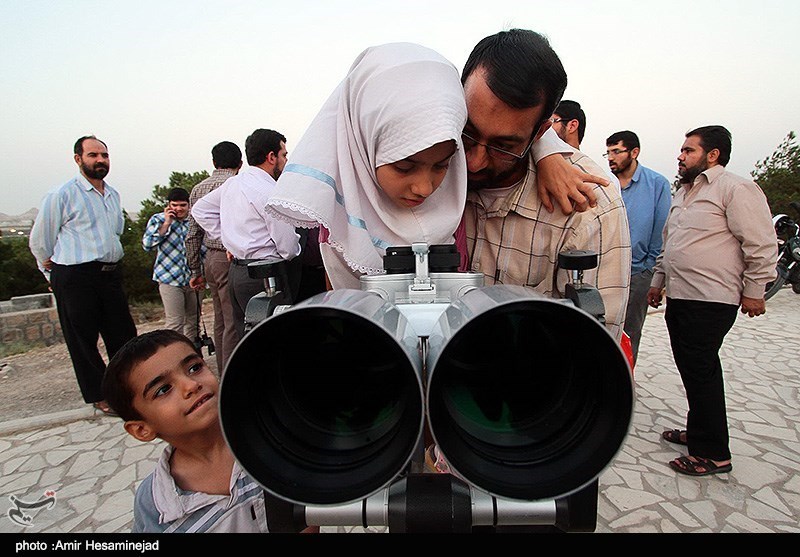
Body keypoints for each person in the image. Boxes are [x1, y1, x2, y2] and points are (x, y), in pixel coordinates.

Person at [460, 29, 631, 341]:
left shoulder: (587, 207)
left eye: (503, 146)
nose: (474, 163)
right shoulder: (434, 165)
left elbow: (595, 344)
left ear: (539, 132)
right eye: (468, 133)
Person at [264, 42, 468, 289]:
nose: (424, 188)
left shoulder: (455, 209)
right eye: (404, 167)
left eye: (441, 166)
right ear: (363, 143)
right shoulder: (343, 219)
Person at [648, 125, 777, 477]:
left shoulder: (735, 188)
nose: (680, 156)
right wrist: (658, 282)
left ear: (713, 154)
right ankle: (701, 431)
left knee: (701, 370)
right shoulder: (684, 193)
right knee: (693, 370)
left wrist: (755, 290)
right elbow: (670, 243)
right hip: (682, 294)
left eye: (688, 150)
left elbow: (761, 243)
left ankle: (714, 454)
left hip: (711, 298)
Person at [101, 330, 269, 532]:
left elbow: (300, 515)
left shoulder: (267, 439)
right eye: (164, 390)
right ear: (141, 429)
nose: (191, 385)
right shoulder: (157, 505)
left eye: (195, 368)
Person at [29, 135, 137, 416]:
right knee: (83, 340)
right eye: (93, 155)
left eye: (104, 155)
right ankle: (100, 396)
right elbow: (41, 241)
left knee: (123, 335)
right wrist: (49, 274)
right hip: (76, 276)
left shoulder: (112, 195)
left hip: (109, 275)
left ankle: (127, 390)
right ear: (78, 159)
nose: (100, 160)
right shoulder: (62, 195)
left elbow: (114, 233)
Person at [191, 129, 300, 341]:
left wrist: (229, 243)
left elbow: (200, 210)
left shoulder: (234, 183)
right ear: (271, 157)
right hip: (267, 275)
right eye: (284, 155)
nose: (286, 160)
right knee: (274, 338)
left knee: (246, 338)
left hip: (237, 273)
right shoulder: (271, 191)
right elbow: (288, 247)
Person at [606, 130, 671, 362]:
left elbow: (661, 231)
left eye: (616, 151)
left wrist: (648, 270)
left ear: (634, 152)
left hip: (638, 272)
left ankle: (624, 382)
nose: (611, 157)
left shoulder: (657, 185)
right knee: (603, 328)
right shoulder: (605, 183)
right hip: (605, 271)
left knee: (630, 331)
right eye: (608, 152)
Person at [185, 141, 242, 373]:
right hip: (230, 258)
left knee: (219, 319)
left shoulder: (198, 189)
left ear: (213, 162)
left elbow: (192, 235)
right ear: (240, 163)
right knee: (233, 320)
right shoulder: (237, 185)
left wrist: (195, 271)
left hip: (211, 259)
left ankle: (221, 369)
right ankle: (231, 374)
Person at [142, 187, 198, 342]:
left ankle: (194, 354)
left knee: (193, 322)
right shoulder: (158, 220)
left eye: (182, 205)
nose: (178, 209)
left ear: (188, 205)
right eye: (175, 205)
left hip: (192, 278)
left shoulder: (194, 221)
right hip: (169, 278)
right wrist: (167, 224)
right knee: (175, 323)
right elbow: (147, 244)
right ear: (168, 205)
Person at [553, 99, 622, 193]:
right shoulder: (539, 169)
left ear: (572, 126)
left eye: (553, 120)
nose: (546, 127)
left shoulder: (605, 179)